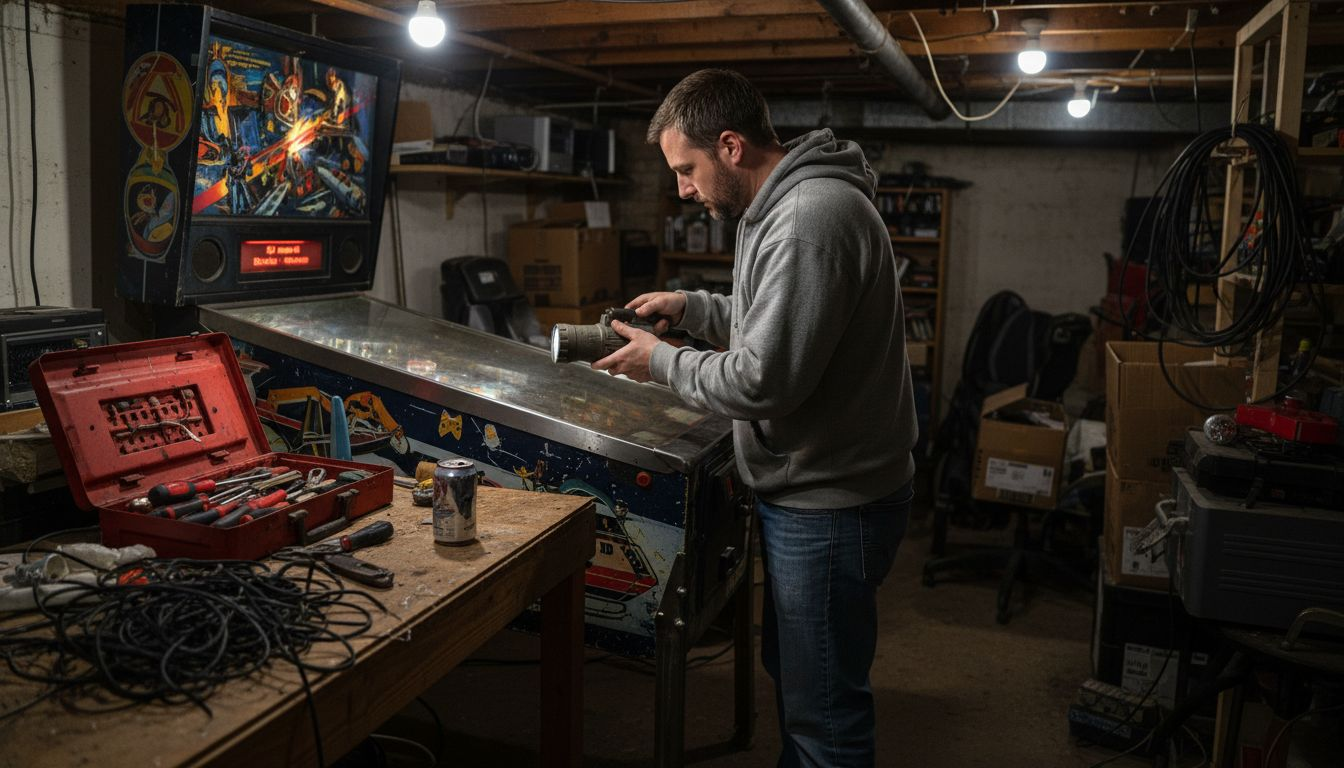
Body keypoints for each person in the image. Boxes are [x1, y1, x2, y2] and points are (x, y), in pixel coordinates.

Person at [592, 69, 918, 767]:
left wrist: (660, 361)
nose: (684, 189)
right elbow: (778, 319)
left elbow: (764, 378)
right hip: (821, 489)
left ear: (731, 146)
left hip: (832, 500)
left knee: (823, 713)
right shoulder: (781, 206)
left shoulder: (806, 219)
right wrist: (693, 308)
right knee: (803, 682)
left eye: (686, 169)